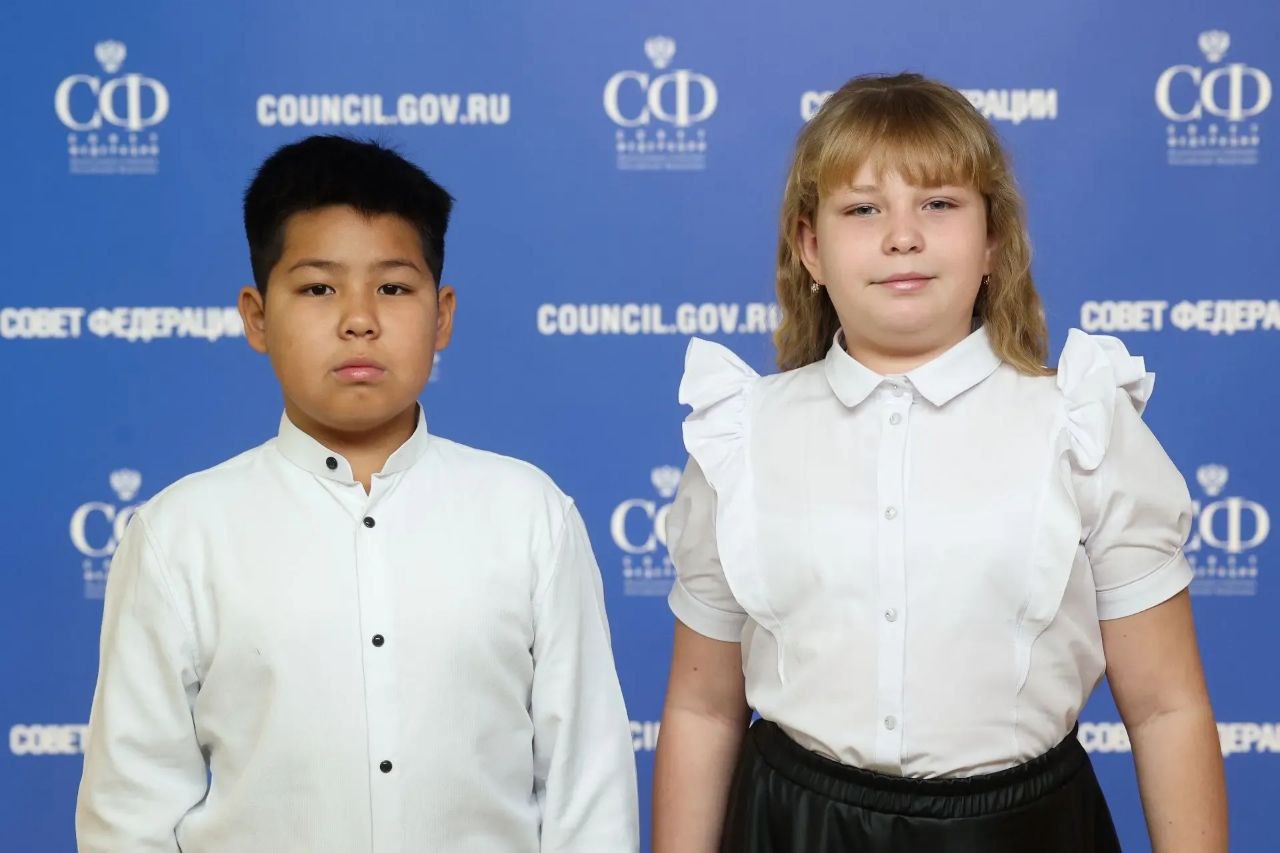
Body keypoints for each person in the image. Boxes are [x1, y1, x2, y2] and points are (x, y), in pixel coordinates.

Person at [652, 74, 1227, 852]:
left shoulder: (1081, 427)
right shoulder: (741, 437)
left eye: (939, 204)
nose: (903, 237)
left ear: (993, 241)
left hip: (1023, 831)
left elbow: (1165, 707)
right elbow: (703, 708)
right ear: (811, 248)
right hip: (793, 827)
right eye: (863, 209)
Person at [76, 135, 639, 853]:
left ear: (442, 315)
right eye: (318, 288)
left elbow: (587, 792)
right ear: (256, 316)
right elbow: (130, 812)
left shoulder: (530, 515)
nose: (359, 319)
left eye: (394, 288)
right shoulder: (180, 534)